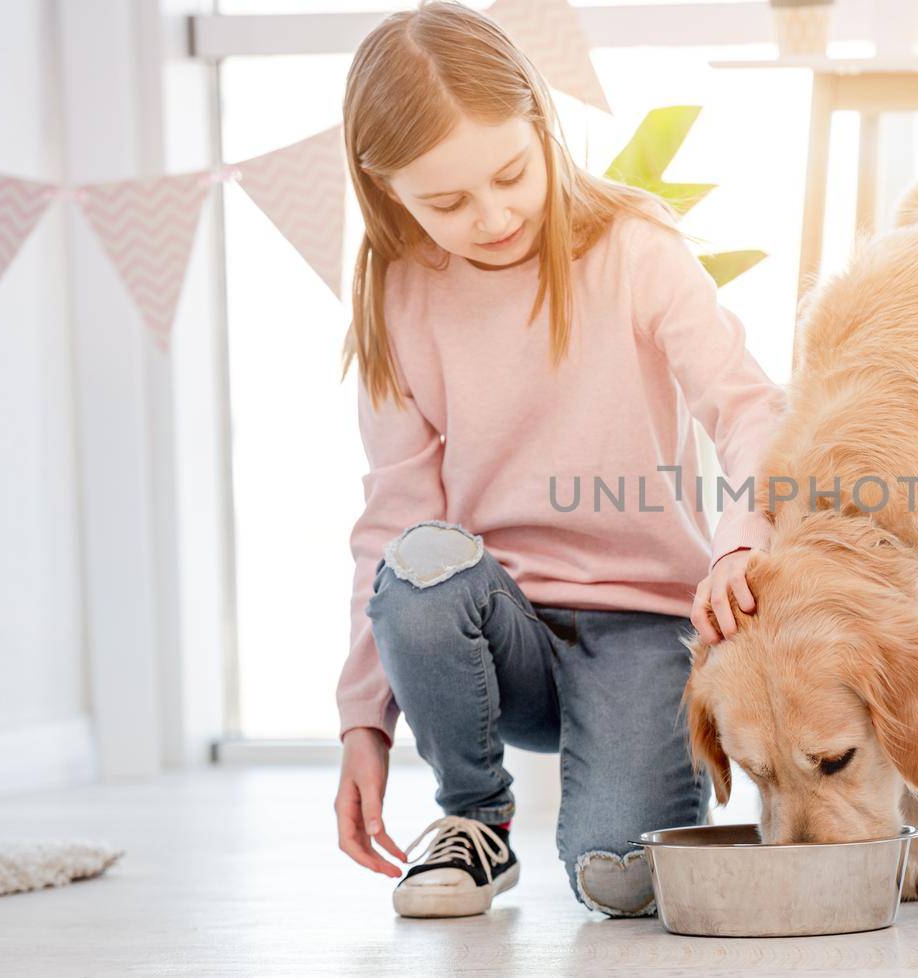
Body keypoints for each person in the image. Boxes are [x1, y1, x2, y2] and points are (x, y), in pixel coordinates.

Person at [331, 0, 782, 919]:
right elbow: (393, 521)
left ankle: (615, 821)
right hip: (498, 636)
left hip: (648, 629)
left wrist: (742, 543)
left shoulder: (634, 249)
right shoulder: (400, 294)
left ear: (541, 123)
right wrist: (362, 723)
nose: (493, 217)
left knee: (619, 877)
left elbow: (752, 411)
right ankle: (471, 821)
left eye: (510, 174)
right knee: (416, 562)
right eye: (447, 202)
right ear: (387, 194)